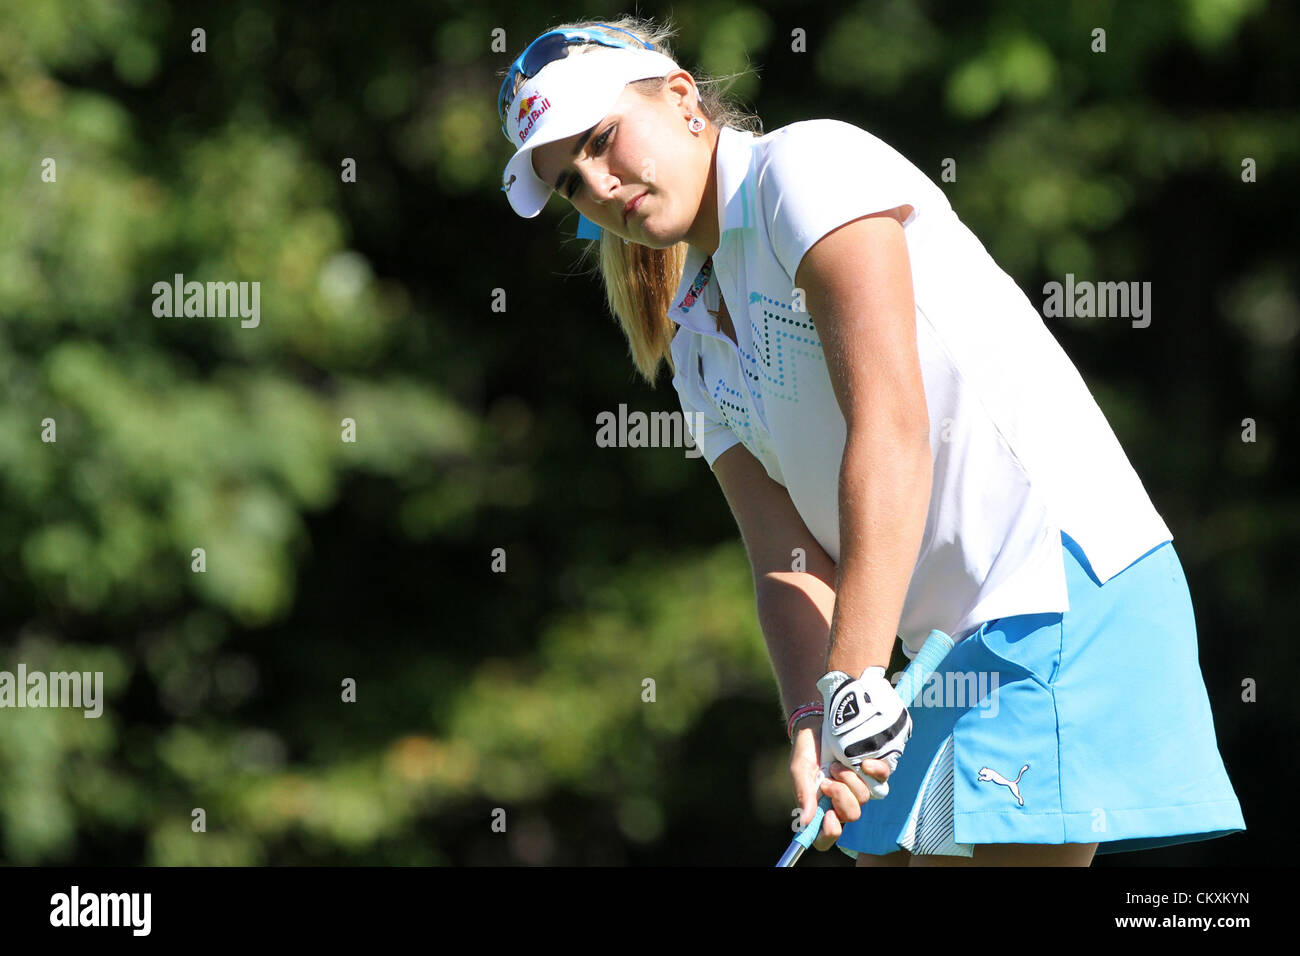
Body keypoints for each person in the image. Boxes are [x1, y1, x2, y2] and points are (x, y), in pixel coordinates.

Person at [498, 17, 1246, 866]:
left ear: (680, 99)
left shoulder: (805, 170)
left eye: (601, 141)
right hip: (942, 651)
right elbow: (786, 558)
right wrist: (814, 719)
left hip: (1058, 585)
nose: (597, 184)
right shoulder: (695, 343)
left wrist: (850, 681)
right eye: (569, 184)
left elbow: (892, 427)